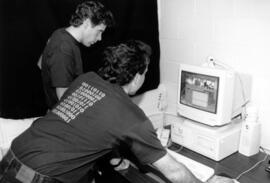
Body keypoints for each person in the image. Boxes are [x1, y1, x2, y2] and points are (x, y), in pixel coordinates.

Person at [0, 40, 234, 183]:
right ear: (136, 76)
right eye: (145, 71)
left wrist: (114, 157)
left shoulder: (86, 79)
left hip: (13, 155)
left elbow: (86, 123)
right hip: (38, 177)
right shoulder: (131, 117)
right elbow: (173, 172)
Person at [38, 0, 114, 110]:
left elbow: (41, 64)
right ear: (87, 23)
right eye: (99, 31)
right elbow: (64, 100)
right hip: (62, 116)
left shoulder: (60, 32)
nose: (100, 38)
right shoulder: (64, 48)